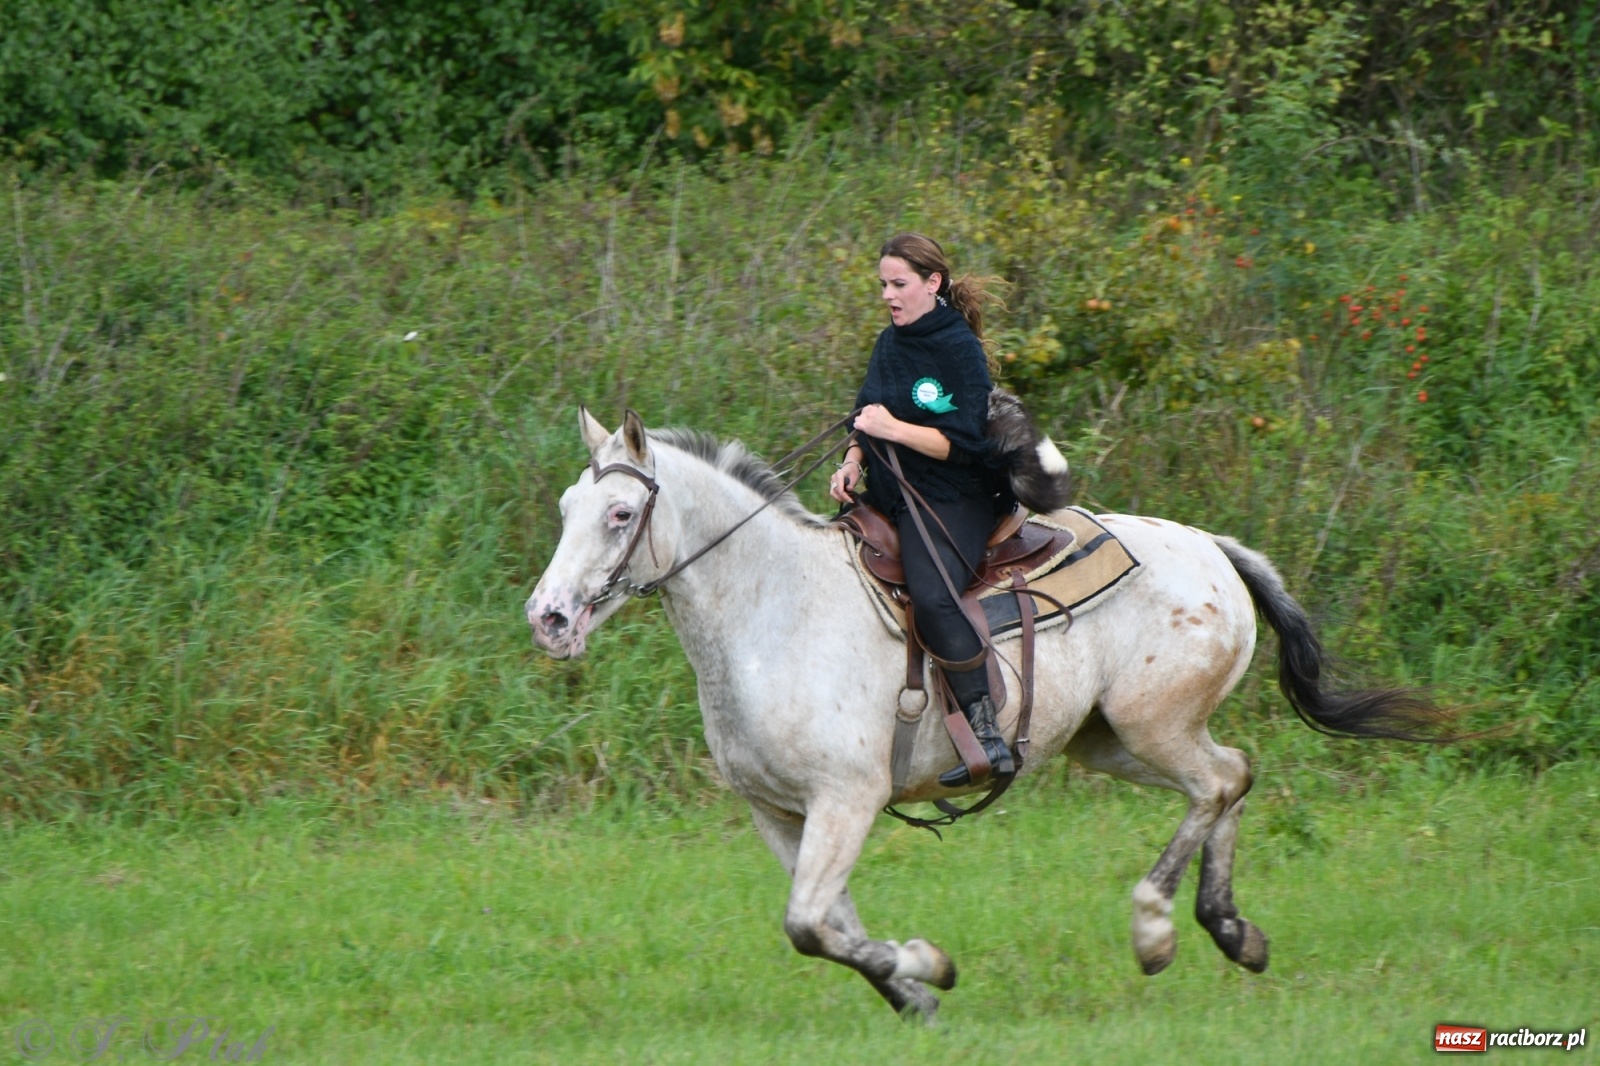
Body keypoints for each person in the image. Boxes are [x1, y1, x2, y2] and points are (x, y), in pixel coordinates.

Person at [829, 233, 1016, 787]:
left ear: (932, 284)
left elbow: (965, 444)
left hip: (955, 494)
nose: (888, 295)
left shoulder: (959, 350)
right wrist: (853, 459)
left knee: (934, 598)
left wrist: (893, 429)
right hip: (892, 491)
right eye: (883, 284)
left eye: (899, 284)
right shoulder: (891, 341)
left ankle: (989, 739)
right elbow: (865, 410)